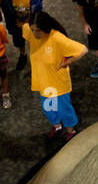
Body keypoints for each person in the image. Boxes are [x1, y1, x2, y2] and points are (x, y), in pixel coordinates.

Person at [22, 10, 86, 141]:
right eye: (33, 30)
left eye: (38, 31)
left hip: (58, 82)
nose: (35, 34)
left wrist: (66, 62)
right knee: (48, 108)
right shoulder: (28, 29)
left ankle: (71, 131)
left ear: (46, 27)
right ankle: (57, 126)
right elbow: (28, 38)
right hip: (43, 80)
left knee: (64, 109)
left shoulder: (57, 38)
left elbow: (83, 50)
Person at [5, 0, 43, 67]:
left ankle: (38, 56)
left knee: (35, 42)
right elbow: (10, 14)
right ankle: (22, 55)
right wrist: (11, 27)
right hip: (18, 27)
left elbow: (38, 12)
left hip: (31, 27)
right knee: (19, 43)